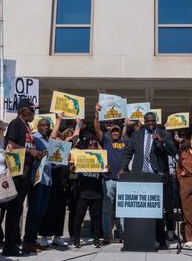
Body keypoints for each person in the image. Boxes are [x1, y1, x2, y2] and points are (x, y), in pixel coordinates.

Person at [119, 111, 177, 249]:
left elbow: (173, 150)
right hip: (140, 176)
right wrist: (123, 167)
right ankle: (139, 238)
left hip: (157, 177)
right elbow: (128, 152)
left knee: (157, 210)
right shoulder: (137, 134)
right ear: (144, 122)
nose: (151, 123)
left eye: (153, 121)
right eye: (148, 121)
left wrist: (161, 142)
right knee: (139, 208)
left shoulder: (164, 133)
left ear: (156, 121)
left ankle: (161, 241)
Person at [2, 98, 40, 256]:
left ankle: (14, 242)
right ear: (23, 110)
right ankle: (9, 246)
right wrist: (29, 151)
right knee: (14, 209)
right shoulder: (16, 124)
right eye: (32, 110)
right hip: (17, 173)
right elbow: (9, 145)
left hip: (26, 172)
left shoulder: (27, 127)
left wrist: (37, 153)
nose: (33, 113)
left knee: (17, 210)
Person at [21, 114, 58, 254]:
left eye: (48, 126)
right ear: (38, 126)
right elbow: (30, 154)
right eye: (43, 125)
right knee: (34, 211)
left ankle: (33, 240)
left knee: (41, 212)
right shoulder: (34, 138)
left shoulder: (49, 141)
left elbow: (52, 163)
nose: (46, 127)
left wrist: (60, 161)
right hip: (37, 178)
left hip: (47, 179)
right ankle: (28, 241)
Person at [93, 103, 128, 243]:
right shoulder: (106, 140)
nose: (114, 132)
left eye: (117, 131)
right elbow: (96, 129)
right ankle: (107, 234)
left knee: (122, 209)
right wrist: (96, 113)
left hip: (122, 180)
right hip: (108, 179)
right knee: (107, 208)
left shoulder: (125, 141)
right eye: (112, 130)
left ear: (120, 132)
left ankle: (123, 234)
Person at [70, 128, 105, 248]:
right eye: (91, 145)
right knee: (78, 217)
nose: (93, 146)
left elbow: (107, 172)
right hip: (83, 192)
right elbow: (73, 174)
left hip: (97, 192)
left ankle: (96, 239)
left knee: (96, 218)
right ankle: (76, 239)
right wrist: (72, 170)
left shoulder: (102, 158)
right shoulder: (81, 156)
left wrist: (99, 148)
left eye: (95, 144)